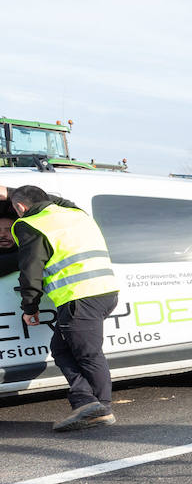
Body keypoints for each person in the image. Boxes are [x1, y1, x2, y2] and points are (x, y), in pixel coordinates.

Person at [5, 184, 122, 432]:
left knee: (88, 354)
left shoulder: (30, 224)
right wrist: (11, 190)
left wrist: (30, 307)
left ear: (20, 208)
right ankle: (87, 402)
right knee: (61, 348)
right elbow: (61, 201)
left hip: (79, 297)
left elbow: (30, 272)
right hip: (105, 291)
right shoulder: (76, 214)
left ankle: (101, 408)